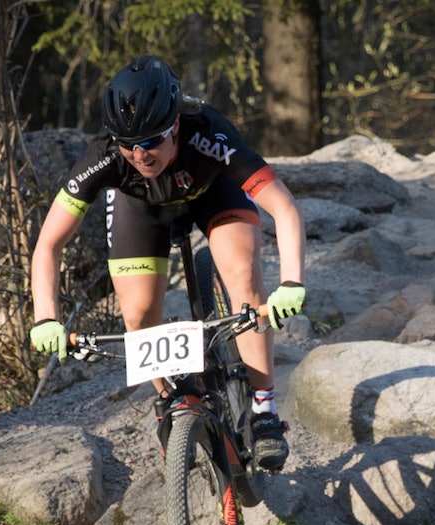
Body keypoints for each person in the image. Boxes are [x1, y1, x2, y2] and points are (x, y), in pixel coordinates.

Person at [28, 55, 306, 471]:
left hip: (213, 193)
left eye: (151, 141)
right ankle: (170, 400)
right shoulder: (104, 155)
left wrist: (292, 281)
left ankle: (264, 409)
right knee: (138, 316)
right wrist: (46, 317)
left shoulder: (208, 133)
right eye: (129, 144)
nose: (140, 154)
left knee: (243, 277)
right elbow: (48, 244)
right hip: (140, 210)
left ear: (174, 124)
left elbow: (283, 208)